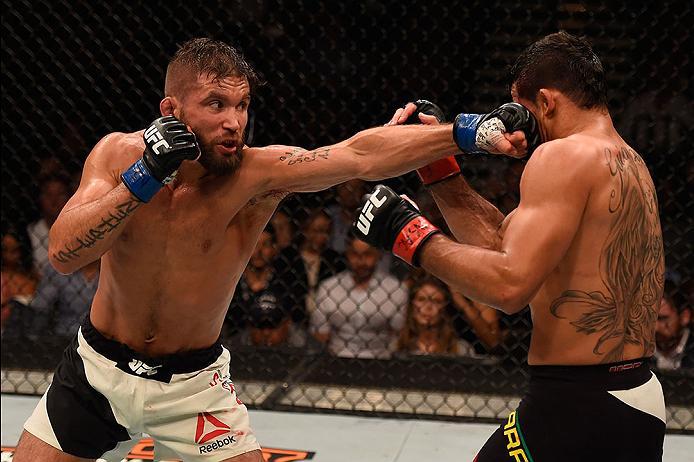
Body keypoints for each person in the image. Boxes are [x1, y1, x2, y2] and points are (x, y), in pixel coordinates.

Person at [16, 37, 520, 461]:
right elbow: (64, 253)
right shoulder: (116, 155)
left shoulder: (258, 175)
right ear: (171, 110)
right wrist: (144, 176)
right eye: (216, 104)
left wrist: (468, 132)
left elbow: (359, 155)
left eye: (241, 105)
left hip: (195, 388)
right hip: (96, 372)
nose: (234, 121)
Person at [354, 31, 666, 461]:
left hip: (577, 404)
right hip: (636, 395)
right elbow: (504, 244)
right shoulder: (629, 163)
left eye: (521, 109)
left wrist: (408, 235)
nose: (518, 125)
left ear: (546, 101)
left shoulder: (562, 157)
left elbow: (508, 286)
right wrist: (438, 167)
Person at [310, 235, 407, 359]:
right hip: (336, 357)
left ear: (378, 254)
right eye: (354, 254)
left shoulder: (396, 290)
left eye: (367, 254)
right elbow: (320, 333)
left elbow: (398, 335)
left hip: (381, 359)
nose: (361, 261)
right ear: (346, 254)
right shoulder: (329, 287)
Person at [396, 275, 475, 357]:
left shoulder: (461, 350)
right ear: (412, 305)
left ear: (444, 308)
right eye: (421, 299)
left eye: (436, 301)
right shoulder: (394, 346)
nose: (428, 306)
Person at [26, 174, 71, 277]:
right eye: (48, 194)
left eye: (60, 194)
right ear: (39, 198)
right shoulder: (30, 232)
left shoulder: (78, 230)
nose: (54, 200)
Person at [653, 279, 693, 370]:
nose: (655, 327)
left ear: (684, 317)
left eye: (663, 319)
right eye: (649, 320)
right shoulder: (640, 352)